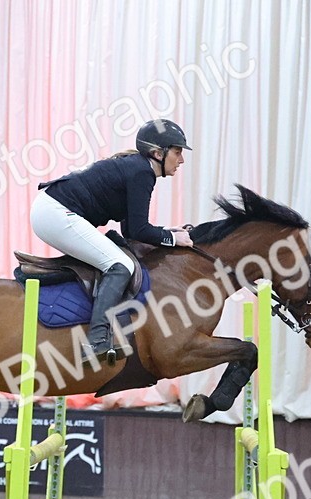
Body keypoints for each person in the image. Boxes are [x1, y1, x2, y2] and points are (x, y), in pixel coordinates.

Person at [31, 119, 194, 364]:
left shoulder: (138, 168)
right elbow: (139, 230)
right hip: (55, 213)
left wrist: (166, 233)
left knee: (116, 259)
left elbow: (131, 231)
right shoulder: (142, 172)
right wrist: (172, 238)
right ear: (158, 153)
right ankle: (96, 339)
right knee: (121, 265)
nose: (181, 160)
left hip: (51, 210)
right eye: (177, 152)